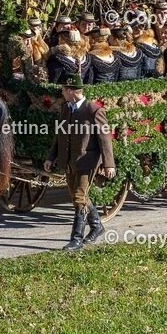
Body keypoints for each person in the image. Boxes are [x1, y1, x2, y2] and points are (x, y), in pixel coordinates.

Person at [44, 74, 116, 250]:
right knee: (78, 197)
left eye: (63, 90)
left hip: (87, 161)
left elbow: (104, 139)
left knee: (79, 197)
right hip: (69, 161)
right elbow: (60, 136)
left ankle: (76, 239)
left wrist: (109, 164)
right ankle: (97, 226)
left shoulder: (94, 110)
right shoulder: (66, 108)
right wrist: (50, 157)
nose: (62, 93)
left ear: (70, 91)